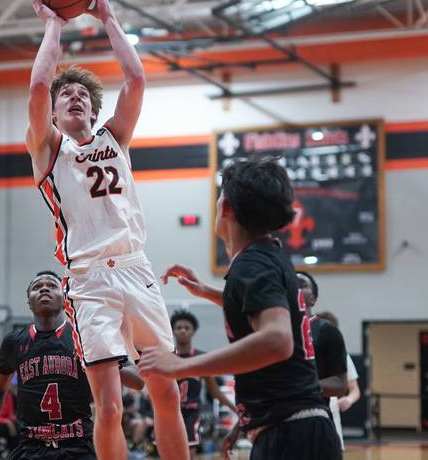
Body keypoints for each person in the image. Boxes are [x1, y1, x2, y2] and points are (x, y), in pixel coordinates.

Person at [27, 0, 188, 460]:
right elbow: (37, 85)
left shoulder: (114, 139)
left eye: (82, 96)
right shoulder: (48, 149)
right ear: (53, 114)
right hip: (90, 279)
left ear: (94, 112)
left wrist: (108, 15)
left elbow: (135, 78)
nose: (73, 97)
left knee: (167, 392)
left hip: (136, 267)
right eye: (65, 95)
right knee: (111, 407)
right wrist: (53, 24)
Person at [138, 157, 342, 460]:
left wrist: (181, 366)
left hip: (291, 434)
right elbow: (263, 305)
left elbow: (277, 340)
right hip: (298, 430)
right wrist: (206, 291)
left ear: (226, 207)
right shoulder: (267, 254)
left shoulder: (253, 262)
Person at [0, 271, 143, 460]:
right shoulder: (14, 342)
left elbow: (138, 380)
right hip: (31, 446)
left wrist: (103, 360)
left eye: (52, 285)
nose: (44, 288)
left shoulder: (85, 336)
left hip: (78, 445)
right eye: (37, 287)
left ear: (65, 298)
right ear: (29, 302)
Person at [169, 309, 236, 457]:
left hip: (191, 413)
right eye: (179, 327)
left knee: (188, 454)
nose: (183, 331)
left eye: (187, 328)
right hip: (170, 412)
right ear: (172, 331)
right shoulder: (167, 357)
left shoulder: (201, 358)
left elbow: (214, 390)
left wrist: (234, 408)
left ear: (193, 331)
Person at [295, 272, 348, 400]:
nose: (295, 288)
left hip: (312, 411)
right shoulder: (272, 330)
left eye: (301, 285)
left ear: (313, 298)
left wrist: (299, 388)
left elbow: (340, 385)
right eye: (290, 284)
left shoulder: (327, 331)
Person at [315, 310, 360, 449]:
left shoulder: (343, 357)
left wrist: (348, 400)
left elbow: (355, 389)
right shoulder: (303, 353)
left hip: (331, 415)